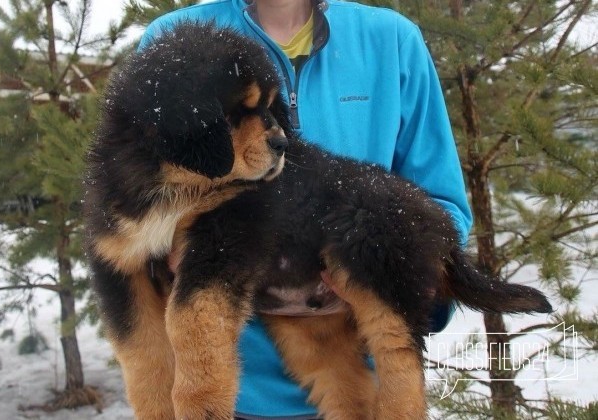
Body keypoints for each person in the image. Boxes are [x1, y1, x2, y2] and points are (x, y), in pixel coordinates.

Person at [139, 0, 473, 418]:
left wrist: (393, 285)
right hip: (224, 396)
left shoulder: (392, 41)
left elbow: (443, 209)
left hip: (357, 388)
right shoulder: (176, 39)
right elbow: (136, 200)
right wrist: (176, 257)